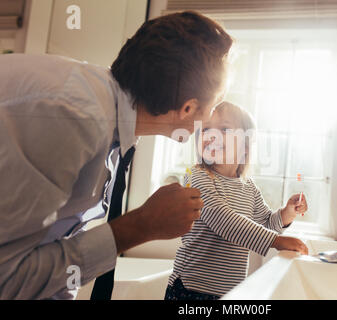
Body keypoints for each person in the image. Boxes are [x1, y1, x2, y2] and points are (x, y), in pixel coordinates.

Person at [0, 11, 232, 299]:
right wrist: (141, 226)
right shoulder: (74, 119)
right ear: (187, 108)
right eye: (216, 102)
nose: (213, 115)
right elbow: (6, 277)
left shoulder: (108, 117)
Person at [164, 102, 308, 300]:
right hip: (190, 290)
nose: (212, 135)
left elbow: (266, 224)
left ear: (245, 146)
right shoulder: (196, 176)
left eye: (224, 129)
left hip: (229, 293)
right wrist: (276, 241)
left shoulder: (248, 188)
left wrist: (287, 213)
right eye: (206, 129)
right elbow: (223, 219)